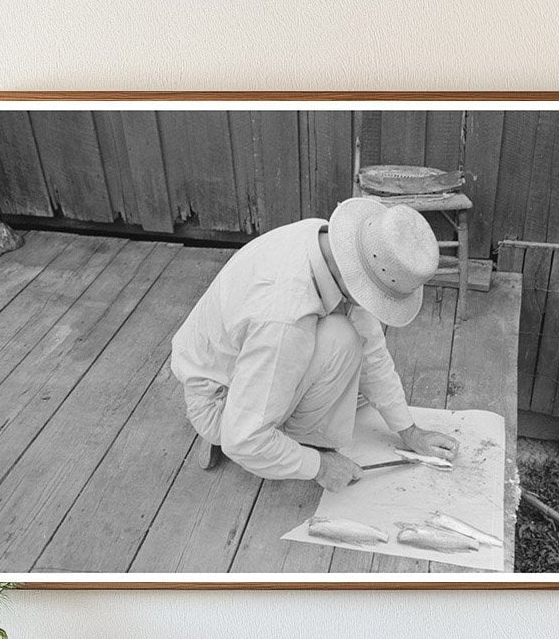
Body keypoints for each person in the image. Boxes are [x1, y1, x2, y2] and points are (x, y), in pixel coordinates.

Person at [170, 198, 459, 492]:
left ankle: (265, 417)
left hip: (239, 362)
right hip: (219, 402)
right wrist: (319, 466)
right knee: (342, 343)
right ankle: (281, 439)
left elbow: (371, 348)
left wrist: (408, 430)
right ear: (359, 282)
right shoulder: (284, 318)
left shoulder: (328, 247)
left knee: (351, 353)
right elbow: (243, 438)